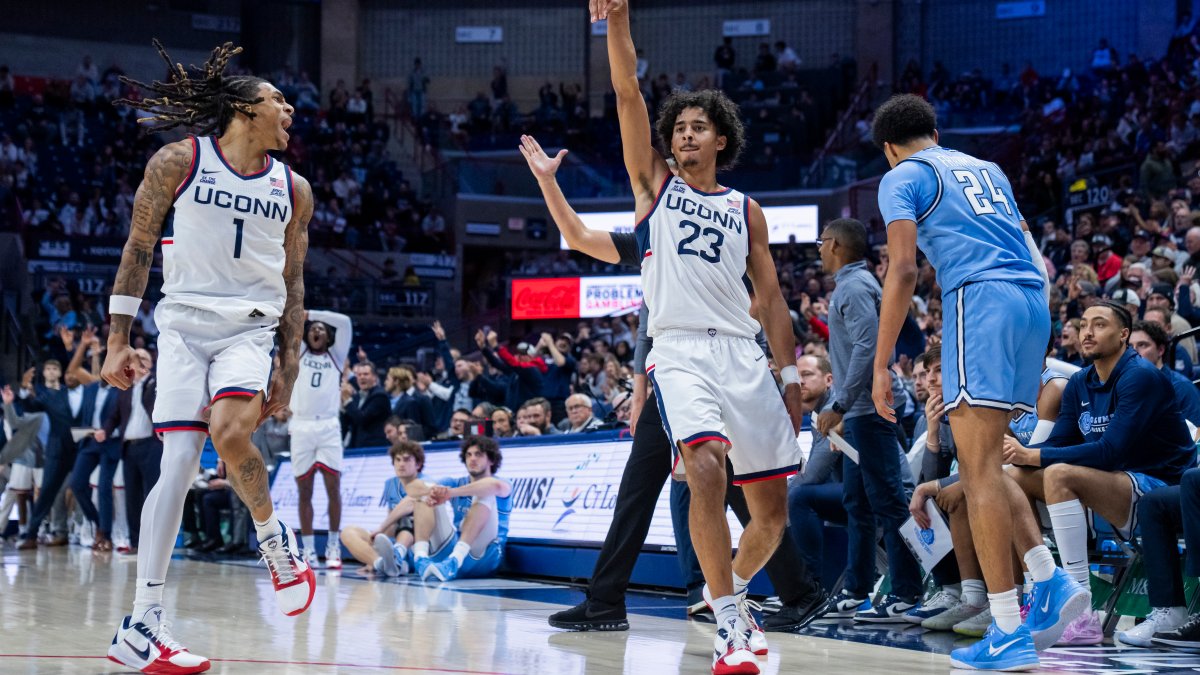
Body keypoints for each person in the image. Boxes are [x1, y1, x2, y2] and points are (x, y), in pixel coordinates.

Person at [520, 137, 826, 635]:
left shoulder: (728, 220)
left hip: (723, 362)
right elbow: (576, 236)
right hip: (672, 371)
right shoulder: (650, 231)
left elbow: (762, 298)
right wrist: (548, 182)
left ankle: (790, 590)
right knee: (653, 489)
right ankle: (610, 598)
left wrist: (782, 369)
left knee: (731, 493)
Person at [587, 3, 805, 671]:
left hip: (743, 354)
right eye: (678, 127)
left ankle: (729, 594)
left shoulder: (748, 209)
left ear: (720, 140)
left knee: (770, 514)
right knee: (704, 468)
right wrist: (616, 25)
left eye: (697, 128)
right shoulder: (653, 187)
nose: (684, 135)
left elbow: (768, 297)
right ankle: (734, 622)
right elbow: (627, 92)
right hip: (679, 350)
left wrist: (790, 375)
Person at [100, 41, 314, 674]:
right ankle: (142, 625)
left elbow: (295, 280)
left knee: (228, 432)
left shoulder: (294, 188)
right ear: (246, 109)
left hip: (249, 330)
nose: (290, 110)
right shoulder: (178, 161)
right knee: (177, 466)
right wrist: (117, 337)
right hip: (183, 328)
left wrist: (290, 363)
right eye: (279, 100)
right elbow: (138, 250)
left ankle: (275, 542)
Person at [870, 93, 1085, 671]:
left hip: (981, 299)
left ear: (889, 149)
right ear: (935, 132)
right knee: (986, 462)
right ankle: (1051, 580)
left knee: (979, 468)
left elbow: (906, 269)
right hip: (1031, 300)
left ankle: (1009, 629)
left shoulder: (902, 177)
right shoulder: (986, 168)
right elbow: (1025, 241)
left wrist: (881, 359)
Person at [1002, 302, 1195, 644]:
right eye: (1084, 325)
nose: (1087, 332)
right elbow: (1059, 443)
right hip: (1111, 485)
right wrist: (1020, 454)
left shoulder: (1140, 377)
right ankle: (1039, 595)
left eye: (1099, 325)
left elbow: (1110, 452)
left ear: (1124, 335)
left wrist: (1032, 454)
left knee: (1059, 474)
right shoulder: (1080, 382)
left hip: (1158, 487)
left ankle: (1081, 613)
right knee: (1011, 477)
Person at [814, 218, 923, 621]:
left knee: (890, 504)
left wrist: (838, 404)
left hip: (868, 411)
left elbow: (868, 349)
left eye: (822, 242)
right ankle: (856, 589)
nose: (819, 249)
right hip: (859, 413)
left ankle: (908, 592)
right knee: (857, 503)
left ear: (838, 244)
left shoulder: (856, 288)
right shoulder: (851, 285)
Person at [289, 309, 353, 569]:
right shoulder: (300, 352)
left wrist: (311, 313)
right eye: (313, 328)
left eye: (322, 329)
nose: (316, 331)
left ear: (328, 337)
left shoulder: (336, 356)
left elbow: (346, 321)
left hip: (328, 426)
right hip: (301, 425)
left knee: (333, 488)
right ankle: (308, 550)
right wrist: (300, 318)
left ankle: (333, 546)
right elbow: (288, 324)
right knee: (305, 490)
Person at [339, 440, 448, 576]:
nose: (401, 464)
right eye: (398, 460)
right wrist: (378, 546)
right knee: (348, 532)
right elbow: (392, 526)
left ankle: (397, 556)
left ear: (418, 464)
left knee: (407, 519)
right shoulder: (391, 484)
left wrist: (380, 528)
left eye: (407, 460)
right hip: (399, 541)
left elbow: (409, 503)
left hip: (425, 546)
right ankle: (382, 564)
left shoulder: (426, 481)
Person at [414, 435, 512, 582]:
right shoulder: (454, 481)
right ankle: (420, 558)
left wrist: (450, 493)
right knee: (426, 491)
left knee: (485, 491)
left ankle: (455, 559)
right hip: (453, 551)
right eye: (469, 454)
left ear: (491, 460)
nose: (472, 459)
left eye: (478, 454)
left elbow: (494, 486)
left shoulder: (502, 482)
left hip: (485, 556)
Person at [1129, 320, 1200, 425]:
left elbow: (1197, 437)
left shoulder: (1181, 387)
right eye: (1129, 346)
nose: (1134, 352)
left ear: (1161, 350)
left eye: (1142, 345)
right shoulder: (1124, 385)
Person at [342, 361, 391, 447]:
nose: (362, 377)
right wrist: (342, 407)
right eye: (359, 375)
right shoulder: (356, 397)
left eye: (366, 374)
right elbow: (348, 421)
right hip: (355, 445)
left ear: (374, 377)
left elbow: (362, 419)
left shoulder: (380, 396)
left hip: (374, 448)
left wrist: (347, 400)